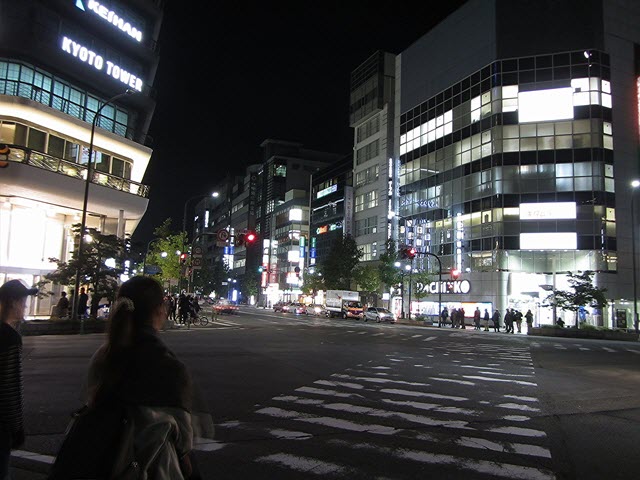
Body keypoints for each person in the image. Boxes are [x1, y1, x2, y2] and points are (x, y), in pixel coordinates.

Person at [84, 276, 212, 479]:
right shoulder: (167, 365)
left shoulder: (105, 356)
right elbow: (183, 442)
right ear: (159, 310)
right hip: (151, 467)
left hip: (100, 459)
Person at [0, 279, 38, 479]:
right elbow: (10, 387)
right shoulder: (9, 337)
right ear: (13, 302)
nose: (25, 305)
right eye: (23, 301)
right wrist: (16, 427)